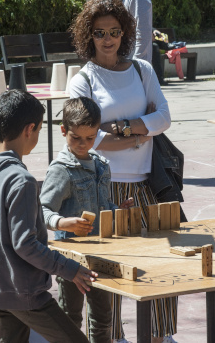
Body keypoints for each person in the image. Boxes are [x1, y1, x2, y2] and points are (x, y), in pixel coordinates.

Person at [68, 0, 175, 343]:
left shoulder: (142, 69)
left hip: (147, 185)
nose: (108, 39)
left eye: (114, 31)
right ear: (89, 35)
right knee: (106, 270)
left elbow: (164, 118)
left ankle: (160, 335)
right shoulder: (82, 79)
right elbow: (90, 137)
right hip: (102, 187)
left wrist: (124, 129)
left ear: (125, 32)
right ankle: (112, 337)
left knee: (159, 262)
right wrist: (137, 134)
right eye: (99, 32)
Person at [0, 90, 94, 343]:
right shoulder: (22, 181)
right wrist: (69, 269)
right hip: (24, 290)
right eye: (40, 130)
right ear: (30, 129)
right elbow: (25, 243)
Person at [40, 97, 134, 342]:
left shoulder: (102, 165)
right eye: (76, 138)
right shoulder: (61, 169)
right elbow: (42, 210)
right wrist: (62, 223)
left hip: (101, 255)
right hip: (70, 259)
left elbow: (103, 205)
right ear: (63, 131)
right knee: (70, 317)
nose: (83, 144)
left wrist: (116, 210)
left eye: (90, 138)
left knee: (103, 317)